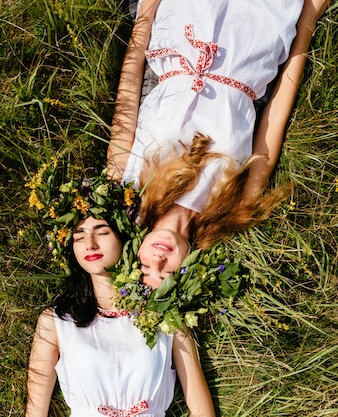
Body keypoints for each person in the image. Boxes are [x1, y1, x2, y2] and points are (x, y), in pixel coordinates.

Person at [106, 0, 330, 282]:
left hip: (184, 22)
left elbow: (126, 95)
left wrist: (146, 12)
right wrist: (308, 19)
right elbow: (275, 119)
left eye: (144, 268)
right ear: (189, 270)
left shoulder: (127, 185)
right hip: (254, 41)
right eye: (166, 275)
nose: (158, 260)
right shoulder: (233, 206)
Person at [24, 173, 215, 417]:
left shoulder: (165, 317)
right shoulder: (56, 323)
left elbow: (201, 410)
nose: (90, 244)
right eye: (79, 237)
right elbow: (35, 413)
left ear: (124, 238)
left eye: (102, 232)